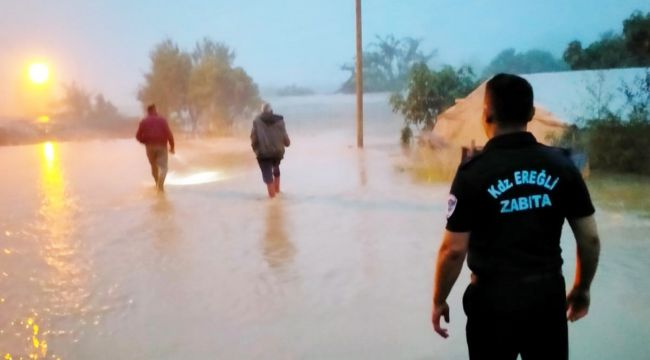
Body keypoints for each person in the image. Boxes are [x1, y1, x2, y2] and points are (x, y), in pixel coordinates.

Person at [431, 74, 601, 359]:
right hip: (546, 299)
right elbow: (590, 238)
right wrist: (582, 289)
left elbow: (453, 250)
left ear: (486, 114)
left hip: (492, 304)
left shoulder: (473, 172)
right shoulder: (561, 164)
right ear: (531, 113)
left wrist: (439, 299)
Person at [250, 103, 290, 198]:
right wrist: (286, 143)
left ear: (262, 112)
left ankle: (273, 201)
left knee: (267, 174)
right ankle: (277, 192)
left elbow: (253, 138)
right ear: (272, 111)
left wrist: (255, 149)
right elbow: (286, 140)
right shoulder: (280, 121)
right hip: (277, 152)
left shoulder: (257, 121)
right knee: (276, 167)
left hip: (263, 153)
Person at [136, 104, 175, 192]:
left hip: (149, 147)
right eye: (156, 110)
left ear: (148, 111)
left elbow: (138, 136)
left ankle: (157, 183)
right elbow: (169, 134)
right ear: (154, 110)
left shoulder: (144, 121)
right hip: (162, 146)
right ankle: (160, 186)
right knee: (164, 167)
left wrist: (145, 142)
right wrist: (172, 147)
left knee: (154, 166)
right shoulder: (162, 120)